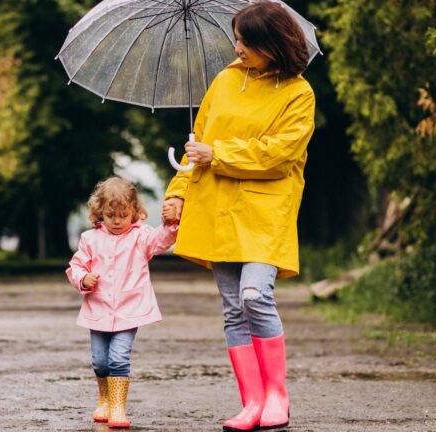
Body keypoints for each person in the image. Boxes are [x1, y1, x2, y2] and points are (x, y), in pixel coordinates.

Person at [161, 2, 315, 431]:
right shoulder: (225, 80)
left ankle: (277, 395)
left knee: (254, 296)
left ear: (273, 44)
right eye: (237, 39)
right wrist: (178, 194)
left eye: (246, 41)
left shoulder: (299, 93)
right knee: (233, 309)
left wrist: (218, 154)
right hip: (215, 206)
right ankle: (252, 402)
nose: (237, 48)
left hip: (266, 211)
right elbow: (198, 144)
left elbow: (280, 154)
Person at [66, 176, 178, 429]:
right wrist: (83, 278)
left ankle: (118, 406)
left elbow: (161, 240)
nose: (117, 221)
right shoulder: (90, 239)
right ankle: (104, 399)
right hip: (98, 309)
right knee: (99, 360)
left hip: (130, 309)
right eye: (110, 215)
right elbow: (76, 266)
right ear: (99, 213)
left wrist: (170, 224)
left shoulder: (141, 236)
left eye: (123, 215)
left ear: (134, 212)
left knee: (118, 358)